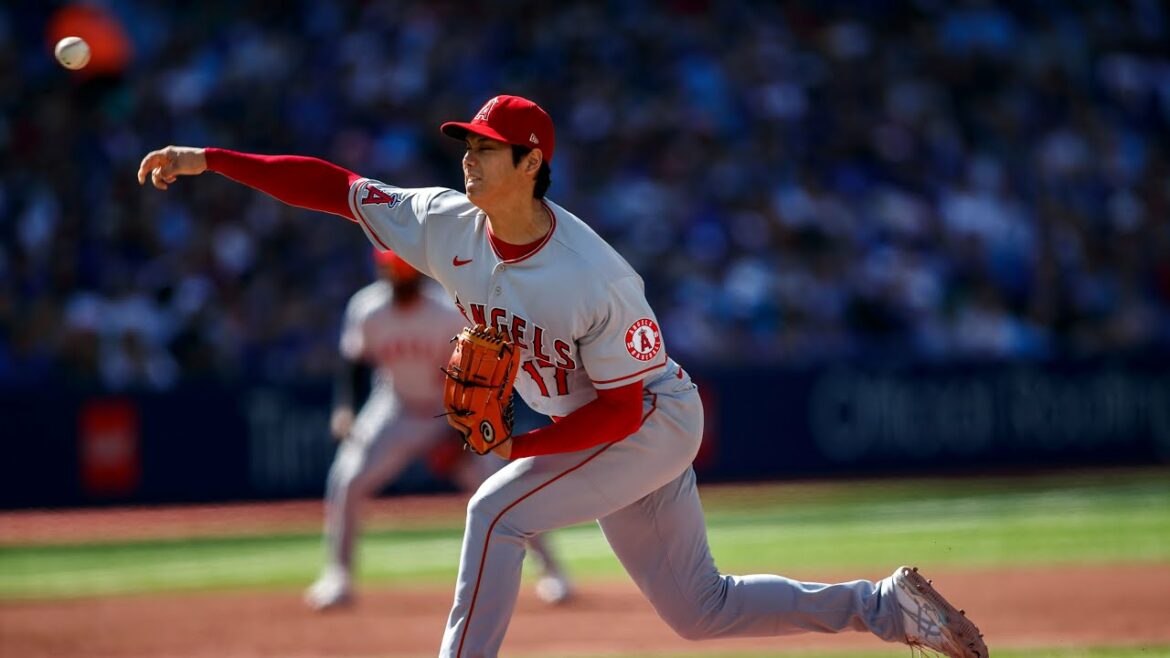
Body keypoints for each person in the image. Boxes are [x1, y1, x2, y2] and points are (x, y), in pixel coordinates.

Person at [138, 94, 988, 658]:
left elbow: (620, 410)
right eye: (464, 144)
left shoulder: (594, 275)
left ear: (532, 161)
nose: (467, 157)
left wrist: (522, 441)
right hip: (601, 431)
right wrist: (209, 158)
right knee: (703, 611)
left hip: (648, 418)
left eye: (485, 148)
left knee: (494, 507)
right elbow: (334, 187)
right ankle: (887, 607)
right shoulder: (442, 222)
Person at [306, 246, 572, 610]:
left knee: (503, 487)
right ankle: (338, 576)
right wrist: (345, 409)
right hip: (394, 408)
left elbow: (478, 376)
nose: (399, 280)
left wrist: (458, 430)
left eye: (405, 274)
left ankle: (553, 572)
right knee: (347, 479)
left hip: (450, 413)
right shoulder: (368, 309)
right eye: (392, 273)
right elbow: (354, 362)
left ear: (417, 273)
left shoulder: (446, 312)